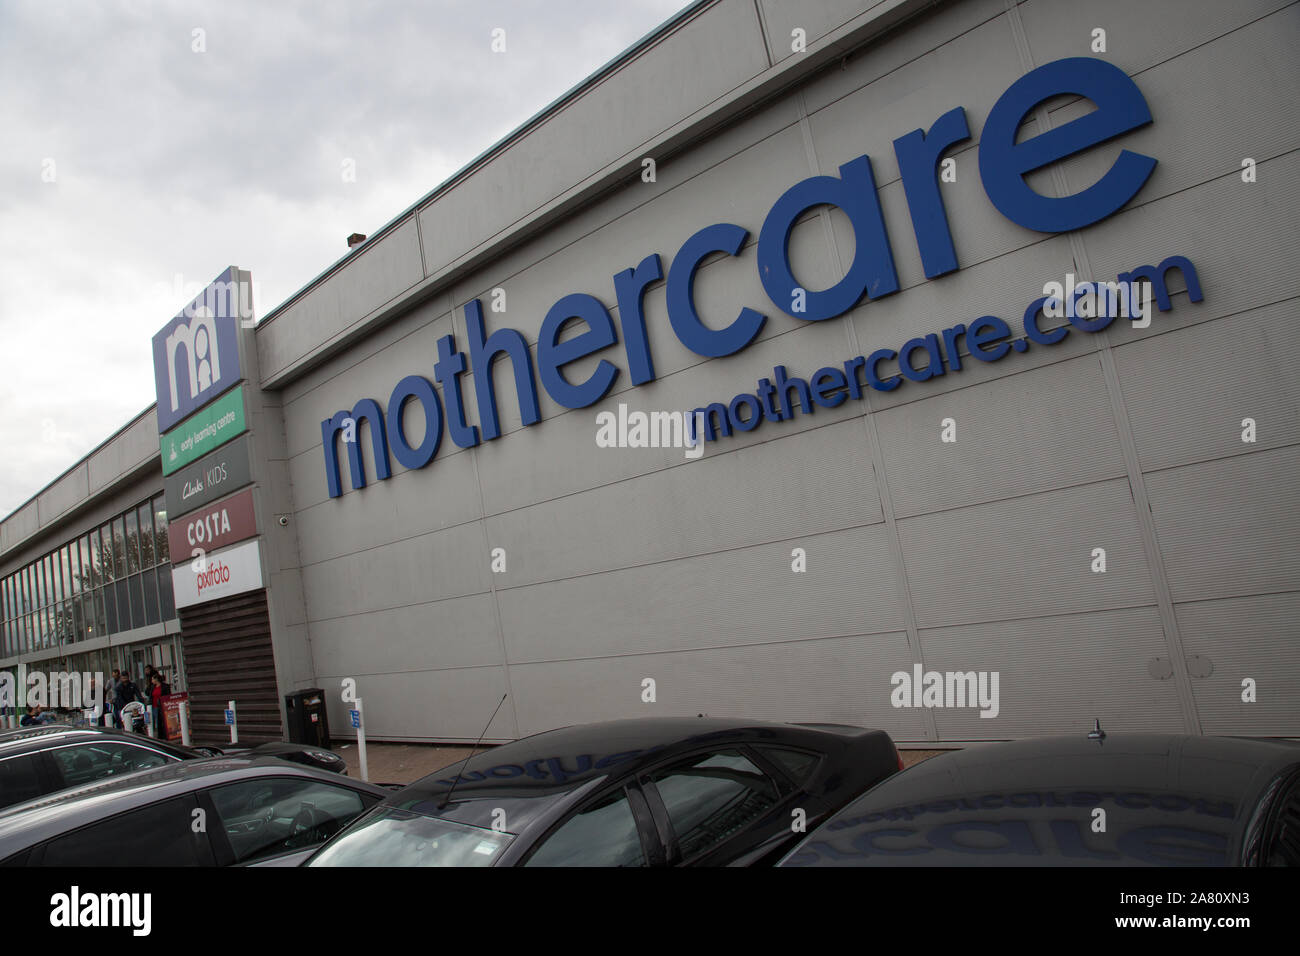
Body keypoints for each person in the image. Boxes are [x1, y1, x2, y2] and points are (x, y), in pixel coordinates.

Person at [149, 672, 171, 737]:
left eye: (153, 679)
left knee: (162, 720)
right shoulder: (153, 687)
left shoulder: (164, 686)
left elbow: (168, 695)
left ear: (156, 679)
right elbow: (150, 695)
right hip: (154, 706)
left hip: (162, 705)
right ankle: (159, 735)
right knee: (156, 720)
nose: (152, 681)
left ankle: (164, 734)